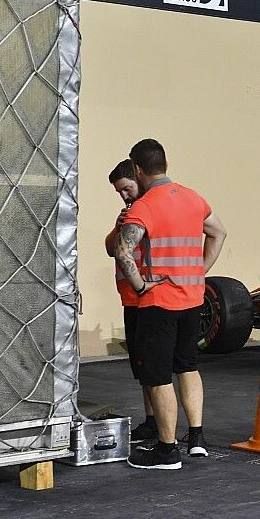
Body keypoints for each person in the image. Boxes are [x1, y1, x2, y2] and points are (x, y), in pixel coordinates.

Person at [115, 138, 227, 470]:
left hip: (158, 302)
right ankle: (196, 438)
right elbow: (219, 233)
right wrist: (200, 270)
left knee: (158, 375)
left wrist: (139, 285)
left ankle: (167, 450)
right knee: (187, 366)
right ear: (165, 164)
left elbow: (122, 250)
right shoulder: (193, 198)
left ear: (137, 169)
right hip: (192, 298)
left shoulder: (145, 206)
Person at [104, 159, 157, 445]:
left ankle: (160, 423)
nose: (124, 196)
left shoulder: (149, 211)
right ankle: (152, 421)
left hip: (148, 298)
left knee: (154, 367)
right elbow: (111, 248)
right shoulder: (129, 214)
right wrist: (117, 228)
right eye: (119, 193)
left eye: (126, 189)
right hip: (131, 299)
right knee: (142, 368)